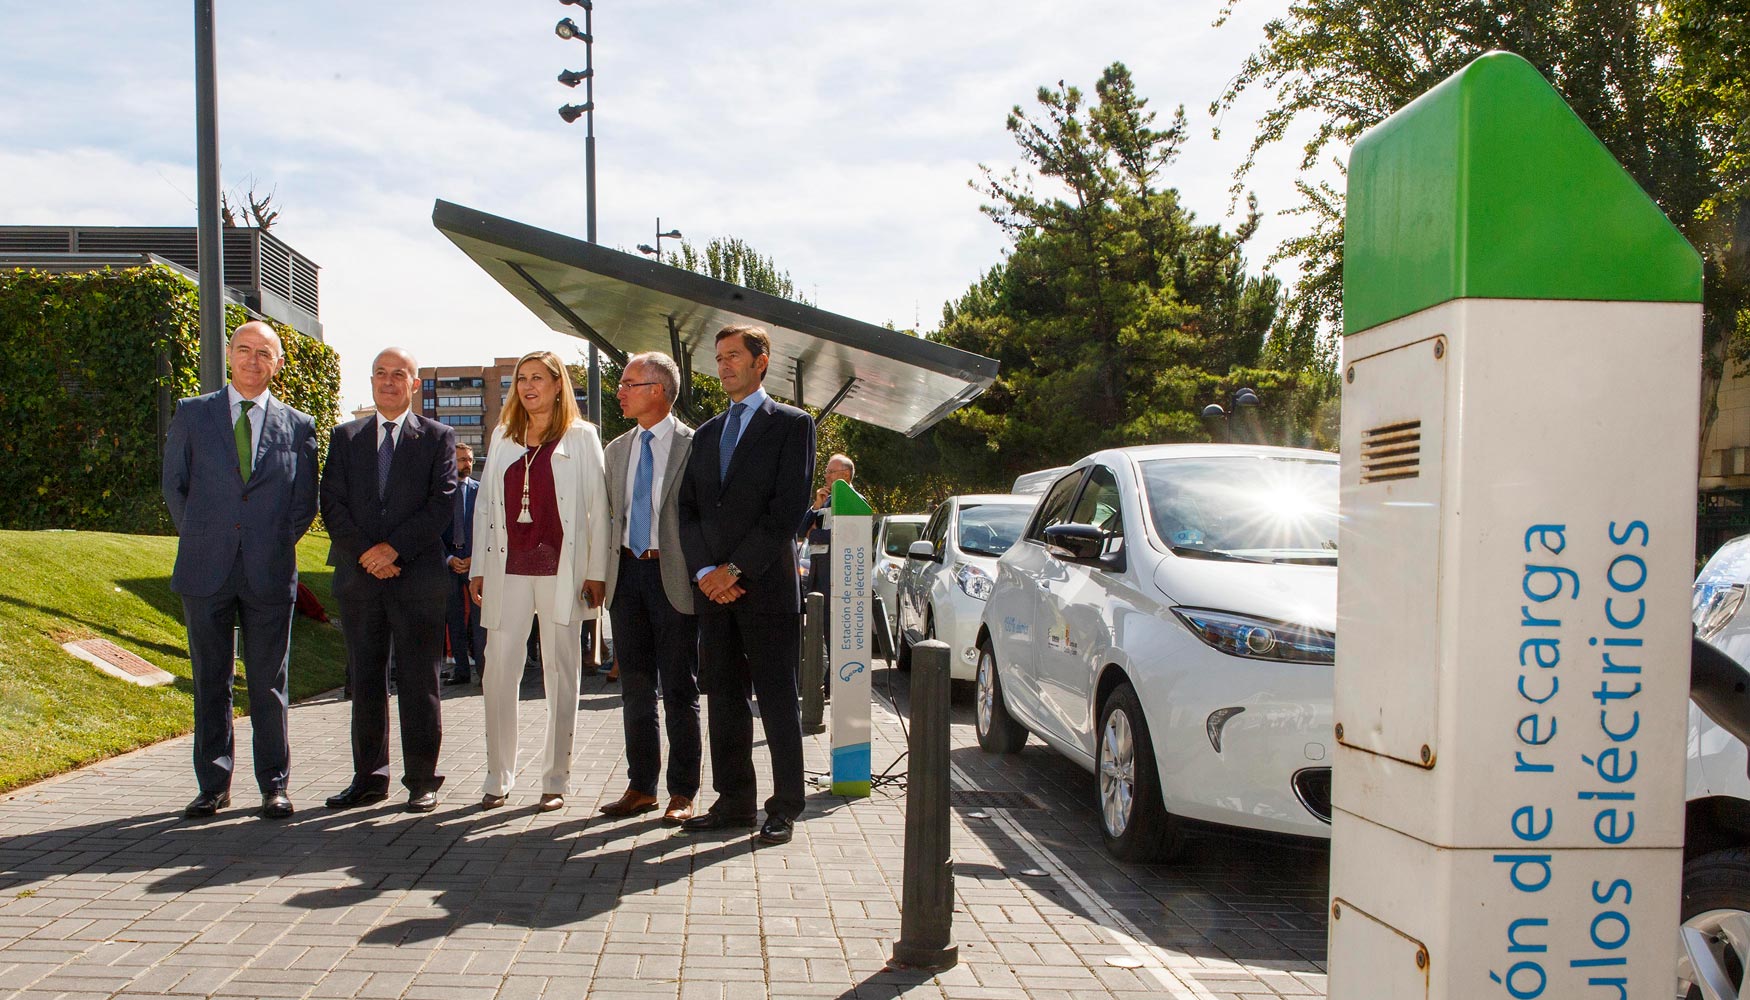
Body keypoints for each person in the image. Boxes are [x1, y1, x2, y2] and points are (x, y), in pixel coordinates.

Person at [161, 321, 318, 820]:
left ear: (278, 363)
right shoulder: (193, 414)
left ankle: (274, 785)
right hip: (205, 569)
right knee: (211, 679)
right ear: (229, 354)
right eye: (244, 350)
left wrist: (268, 544)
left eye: (264, 353)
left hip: (268, 571)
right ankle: (213, 785)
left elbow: (304, 502)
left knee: (270, 684)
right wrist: (207, 538)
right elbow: (175, 486)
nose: (253, 360)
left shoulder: (298, 425)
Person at [677, 325, 816, 845]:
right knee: (726, 699)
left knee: (779, 699)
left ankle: (783, 806)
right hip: (713, 592)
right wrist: (704, 573)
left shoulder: (792, 425)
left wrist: (733, 570)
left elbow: (787, 510)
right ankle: (734, 800)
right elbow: (686, 509)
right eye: (718, 358)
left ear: (762, 361)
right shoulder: (707, 432)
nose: (724, 366)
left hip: (765, 588)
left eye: (734, 356)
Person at [469, 350, 609, 812]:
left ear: (557, 384)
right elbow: (486, 508)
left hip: (561, 571)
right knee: (497, 671)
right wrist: (478, 568)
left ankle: (555, 778)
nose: (528, 387)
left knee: (561, 672)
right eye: (521, 379)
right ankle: (497, 775)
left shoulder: (582, 437)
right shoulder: (503, 436)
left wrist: (595, 572)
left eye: (538, 378)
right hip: (508, 569)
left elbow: (598, 510)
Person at [320, 347, 457, 814]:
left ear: (415, 384)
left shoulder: (438, 437)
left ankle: (422, 780)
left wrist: (392, 549)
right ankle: (368, 778)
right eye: (381, 373)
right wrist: (366, 553)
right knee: (365, 679)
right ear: (372, 380)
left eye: (399, 374)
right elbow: (332, 503)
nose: (389, 381)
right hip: (360, 580)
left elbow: (441, 504)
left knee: (421, 682)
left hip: (416, 578)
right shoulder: (345, 436)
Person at [599, 352, 700, 825]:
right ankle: (642, 787)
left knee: (679, 688)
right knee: (635, 689)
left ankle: (683, 792)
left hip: (674, 579)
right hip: (627, 579)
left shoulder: (694, 446)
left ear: (657, 389)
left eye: (628, 382)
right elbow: (608, 517)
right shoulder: (617, 449)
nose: (619, 390)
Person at [442, 442, 484, 685]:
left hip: (475, 563)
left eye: (469, 460)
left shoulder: (482, 492)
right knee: (454, 619)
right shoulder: (441, 493)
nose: (466, 464)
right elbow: (434, 531)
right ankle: (461, 671)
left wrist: (474, 558)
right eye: (460, 460)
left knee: (480, 622)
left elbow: (490, 528)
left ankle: (484, 671)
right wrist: (449, 558)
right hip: (449, 564)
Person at [798, 453, 855, 599]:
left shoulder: (854, 501)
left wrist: (814, 535)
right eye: (826, 472)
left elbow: (845, 536)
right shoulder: (825, 500)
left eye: (831, 472)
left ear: (846, 475)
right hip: (817, 572)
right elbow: (800, 530)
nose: (826, 476)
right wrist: (816, 506)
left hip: (839, 576)